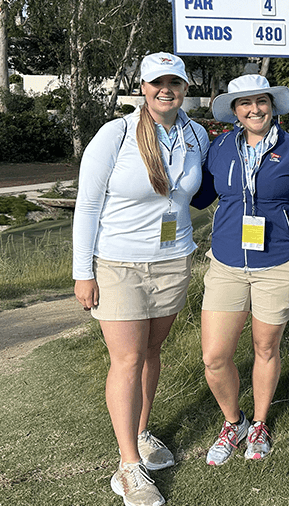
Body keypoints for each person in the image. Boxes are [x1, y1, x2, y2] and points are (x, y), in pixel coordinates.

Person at [73, 52, 209, 506]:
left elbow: (196, 194)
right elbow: (88, 206)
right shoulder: (115, 134)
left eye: (174, 81)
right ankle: (128, 465)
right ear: (143, 88)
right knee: (128, 359)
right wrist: (82, 272)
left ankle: (142, 431)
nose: (165, 89)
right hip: (118, 263)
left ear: (185, 88)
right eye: (156, 82)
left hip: (173, 260)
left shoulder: (197, 135)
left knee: (152, 352)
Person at [192, 75, 289, 463]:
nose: (255, 109)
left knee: (265, 347)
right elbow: (199, 193)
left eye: (261, 101)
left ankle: (259, 423)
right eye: (245, 103)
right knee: (214, 357)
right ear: (235, 111)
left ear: (272, 105)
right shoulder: (220, 148)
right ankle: (232, 422)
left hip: (278, 263)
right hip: (226, 263)